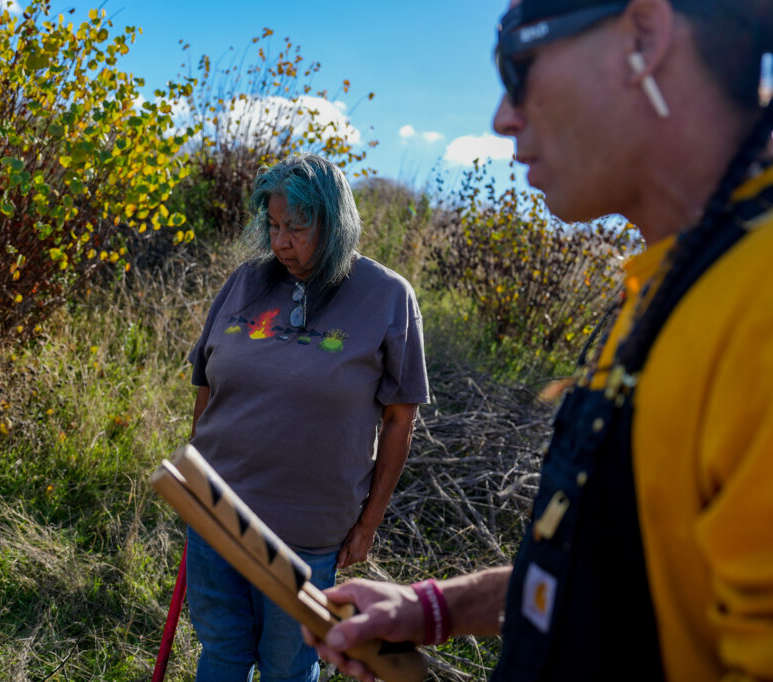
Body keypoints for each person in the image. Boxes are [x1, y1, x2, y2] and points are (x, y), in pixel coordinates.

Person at [304, 0, 773, 680]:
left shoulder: (756, 305)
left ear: (644, 33)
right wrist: (433, 609)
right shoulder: (681, 276)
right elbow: (614, 564)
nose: (502, 116)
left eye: (518, 67)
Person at [185, 152, 430, 681]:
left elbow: (398, 421)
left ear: (336, 224)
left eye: (297, 227)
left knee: (287, 667)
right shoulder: (246, 282)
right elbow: (204, 382)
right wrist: (193, 481)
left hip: (305, 529)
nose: (280, 242)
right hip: (214, 510)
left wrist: (369, 522)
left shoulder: (387, 296)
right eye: (273, 226)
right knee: (222, 652)